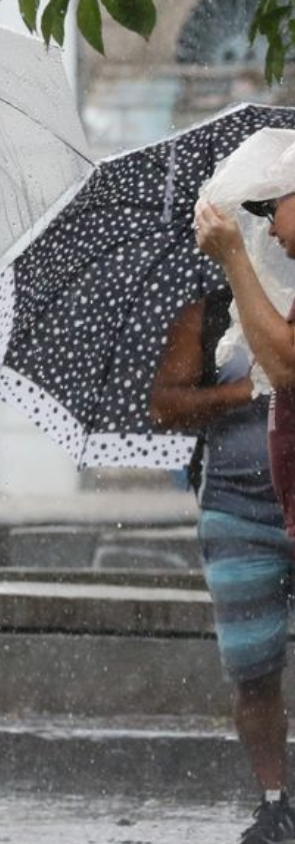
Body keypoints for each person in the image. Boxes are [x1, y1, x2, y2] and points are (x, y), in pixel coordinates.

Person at [150, 287, 295, 843]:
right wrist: (242, 390)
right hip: (237, 511)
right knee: (253, 669)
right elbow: (165, 404)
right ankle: (274, 802)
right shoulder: (210, 308)